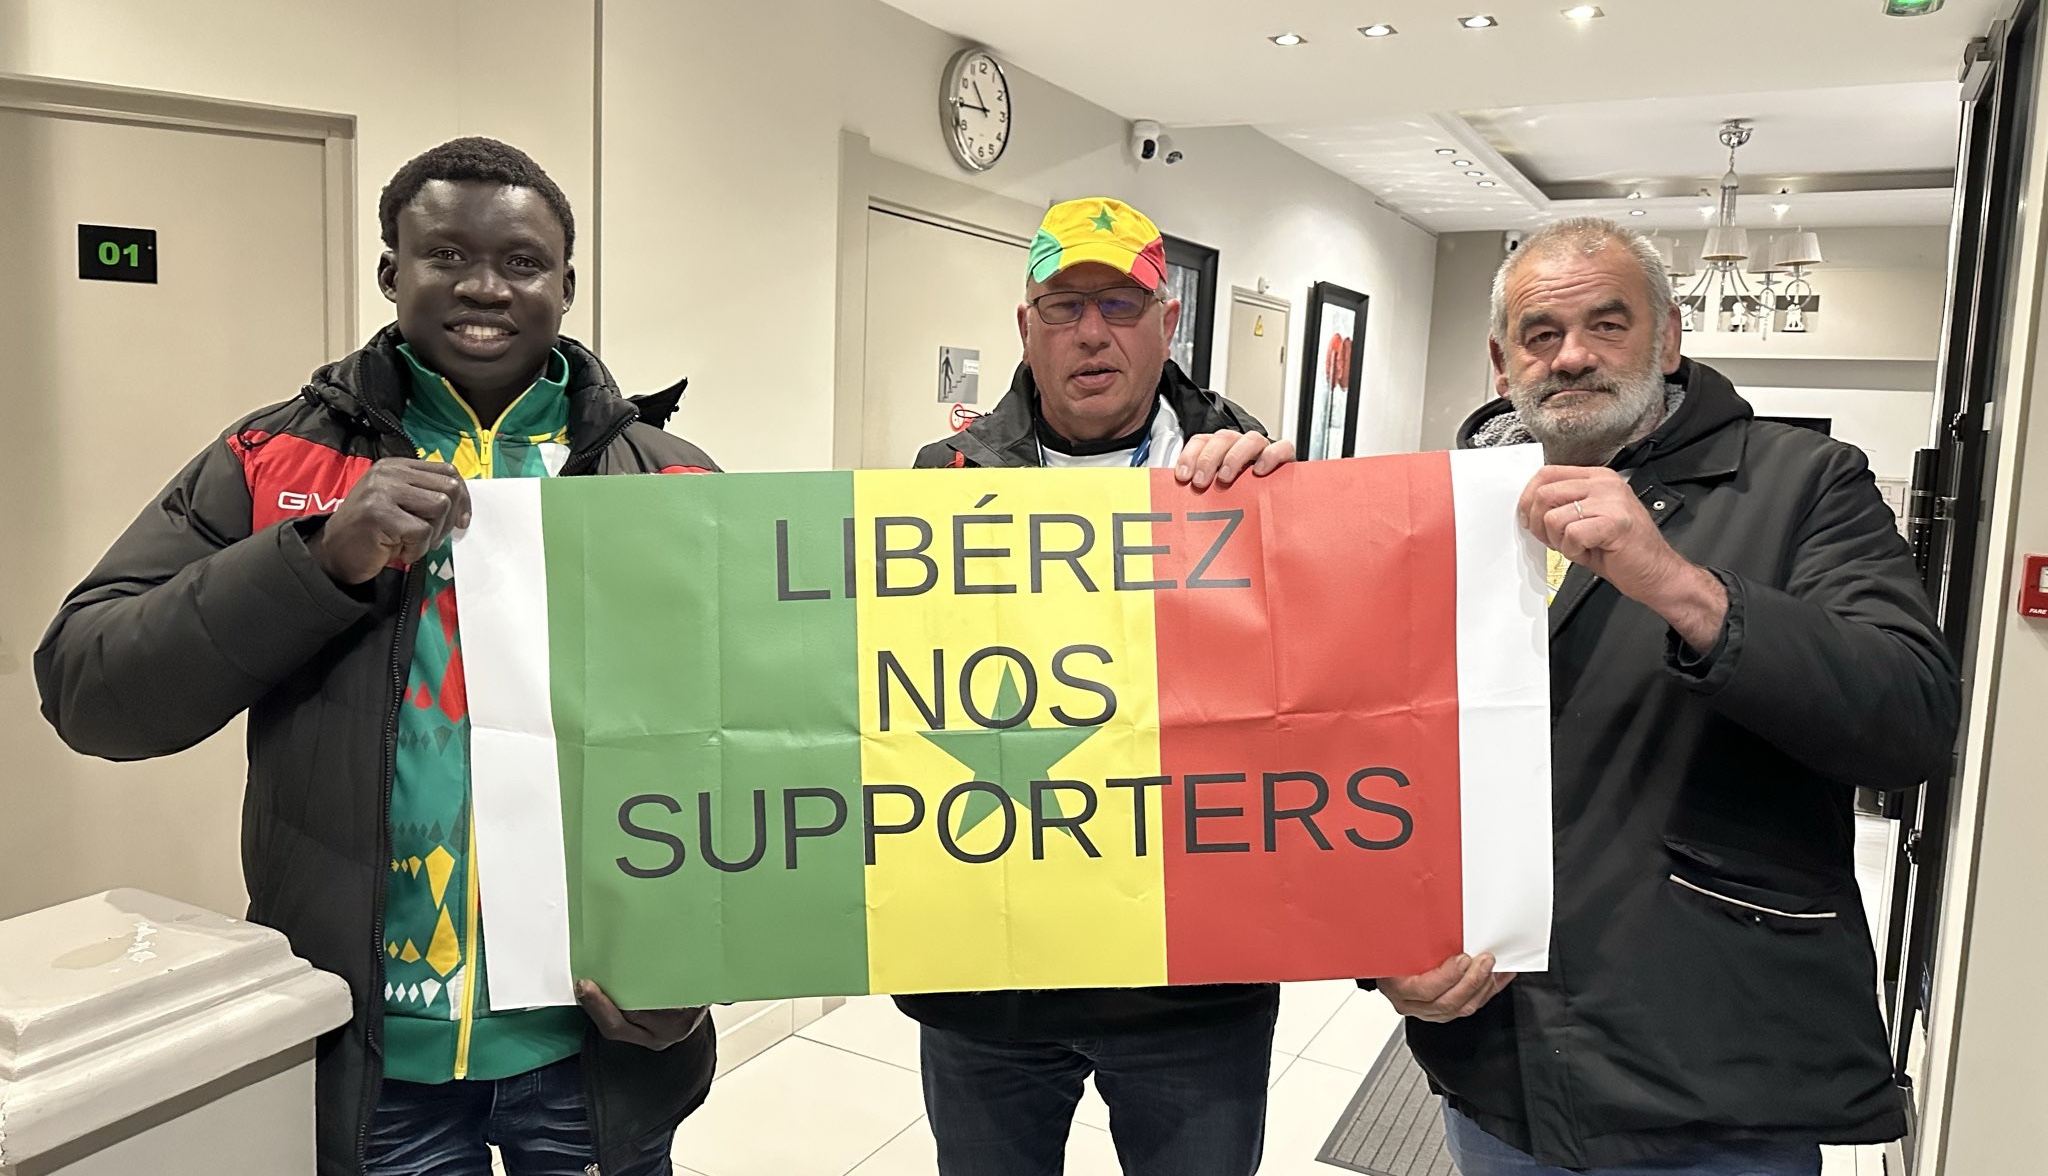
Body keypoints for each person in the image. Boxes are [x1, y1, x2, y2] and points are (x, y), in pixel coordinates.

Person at [36, 138, 719, 1176]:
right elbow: (90, 690)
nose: (484, 286)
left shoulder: (670, 479)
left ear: (567, 286)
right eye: (445, 253)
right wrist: (316, 560)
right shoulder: (273, 463)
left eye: (523, 262)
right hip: (369, 1050)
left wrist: (699, 958)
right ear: (391, 271)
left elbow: (748, 748)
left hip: (596, 1044)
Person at [1372, 218, 1959, 1176]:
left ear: (1669, 338)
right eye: (1540, 333)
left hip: (1717, 1082)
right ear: (1500, 360)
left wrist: (1681, 585)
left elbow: (1911, 722)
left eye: (1608, 324)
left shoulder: (1807, 484)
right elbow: (1378, 747)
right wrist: (1390, 942)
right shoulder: (1445, 514)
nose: (1572, 356)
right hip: (1498, 1071)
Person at [905, 196, 1292, 1175]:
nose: (1089, 330)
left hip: (1191, 988)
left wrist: (1294, 522)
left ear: (1168, 324)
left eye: (1119, 304)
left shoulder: (1261, 485)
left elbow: (1317, 706)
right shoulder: (936, 484)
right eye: (1061, 303)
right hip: (990, 984)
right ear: (1023, 329)